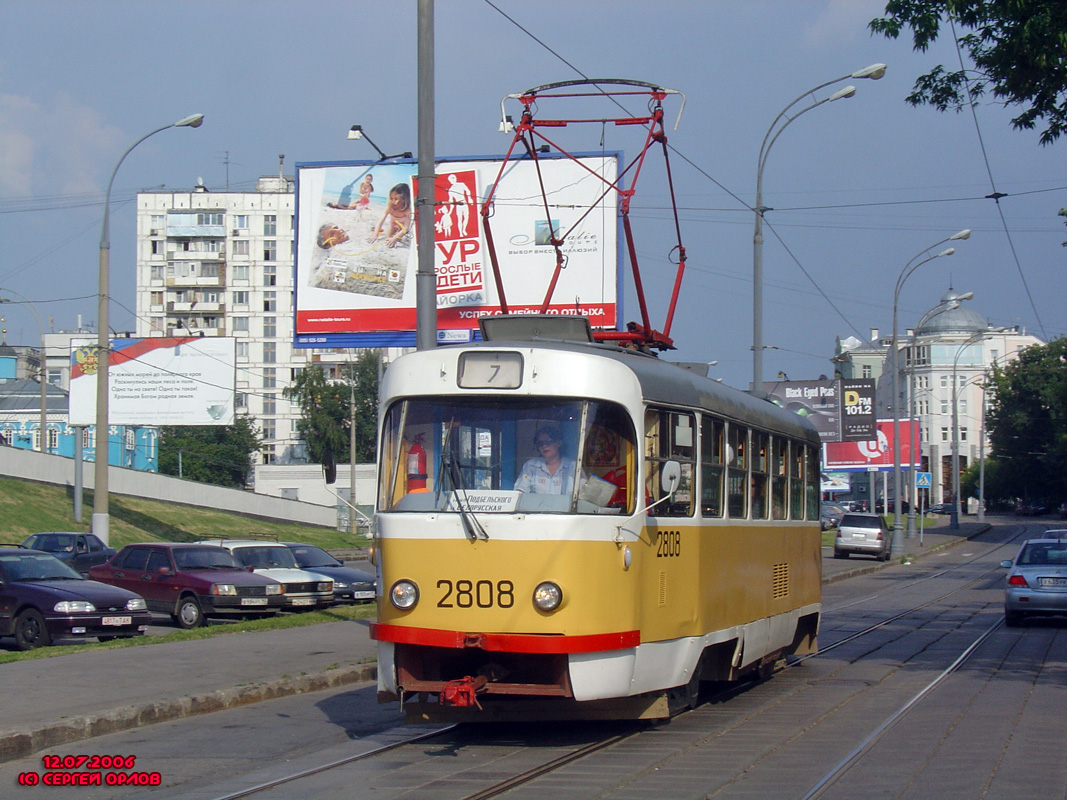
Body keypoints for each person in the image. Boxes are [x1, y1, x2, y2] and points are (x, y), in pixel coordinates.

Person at [514, 426, 580, 495]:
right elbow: (519, 493)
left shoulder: (573, 467)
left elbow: (584, 496)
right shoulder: (530, 466)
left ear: (559, 443)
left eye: (548, 442)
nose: (544, 446)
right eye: (540, 443)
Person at [367, 182, 412, 248]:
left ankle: (398, 233)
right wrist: (375, 234)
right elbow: (380, 222)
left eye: (396, 199)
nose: (393, 202)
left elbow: (406, 228)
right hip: (393, 224)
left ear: (404, 199)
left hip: (402, 227)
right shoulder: (390, 208)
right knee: (388, 239)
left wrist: (395, 238)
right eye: (391, 198)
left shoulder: (407, 211)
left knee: (396, 240)